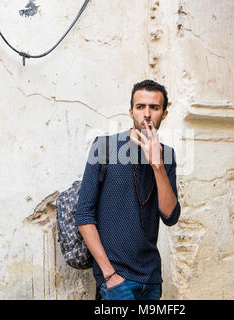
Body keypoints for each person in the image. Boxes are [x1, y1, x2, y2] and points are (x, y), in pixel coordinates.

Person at [75, 79, 181, 300]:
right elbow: (84, 215)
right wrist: (109, 274)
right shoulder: (104, 147)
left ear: (164, 113)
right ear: (131, 111)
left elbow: (170, 216)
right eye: (141, 107)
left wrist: (157, 165)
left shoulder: (167, 156)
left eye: (154, 107)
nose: (147, 114)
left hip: (151, 279)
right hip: (116, 279)